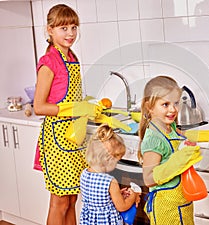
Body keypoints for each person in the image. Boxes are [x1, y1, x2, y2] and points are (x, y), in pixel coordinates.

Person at [33, 4, 101, 225]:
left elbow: (71, 98)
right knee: (60, 202)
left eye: (73, 27)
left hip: (74, 136)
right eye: (63, 28)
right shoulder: (49, 62)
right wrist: (73, 109)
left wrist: (88, 107)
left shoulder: (72, 57)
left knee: (72, 199)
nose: (70, 33)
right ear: (50, 30)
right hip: (56, 139)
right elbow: (39, 106)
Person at [138, 76, 202, 225]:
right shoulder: (153, 139)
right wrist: (179, 160)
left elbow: (182, 137)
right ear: (149, 107)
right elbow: (148, 179)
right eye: (165, 104)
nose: (173, 110)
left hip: (182, 203)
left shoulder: (169, 127)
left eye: (176, 103)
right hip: (166, 209)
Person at [80, 124, 140, 225]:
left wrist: (117, 194)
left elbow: (98, 198)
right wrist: (133, 196)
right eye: (117, 161)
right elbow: (122, 206)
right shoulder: (110, 181)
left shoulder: (84, 174)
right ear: (108, 159)